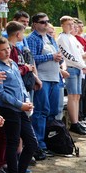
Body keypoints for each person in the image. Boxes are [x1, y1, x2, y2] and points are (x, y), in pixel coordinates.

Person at [0, 36, 40, 173]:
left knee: (31, 142)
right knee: (13, 142)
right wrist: (19, 104)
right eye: (2, 50)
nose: (7, 52)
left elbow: (21, 86)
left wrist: (27, 101)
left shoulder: (13, 64)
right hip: (8, 109)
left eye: (8, 48)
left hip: (21, 108)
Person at [25, 13, 64, 157]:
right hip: (42, 79)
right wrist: (51, 56)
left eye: (47, 21)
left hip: (55, 78)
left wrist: (59, 58)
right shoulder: (32, 39)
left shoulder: (50, 38)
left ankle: (49, 142)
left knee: (52, 111)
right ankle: (38, 144)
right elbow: (32, 59)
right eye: (42, 22)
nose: (46, 24)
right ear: (35, 24)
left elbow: (58, 56)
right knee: (41, 111)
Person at [57, 16, 86, 135]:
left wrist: (83, 63)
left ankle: (76, 121)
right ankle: (74, 123)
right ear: (62, 25)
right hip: (71, 68)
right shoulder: (62, 38)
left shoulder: (72, 37)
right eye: (68, 24)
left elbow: (79, 53)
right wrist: (81, 65)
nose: (71, 26)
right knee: (72, 96)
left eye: (72, 24)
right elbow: (67, 55)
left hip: (78, 68)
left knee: (77, 96)